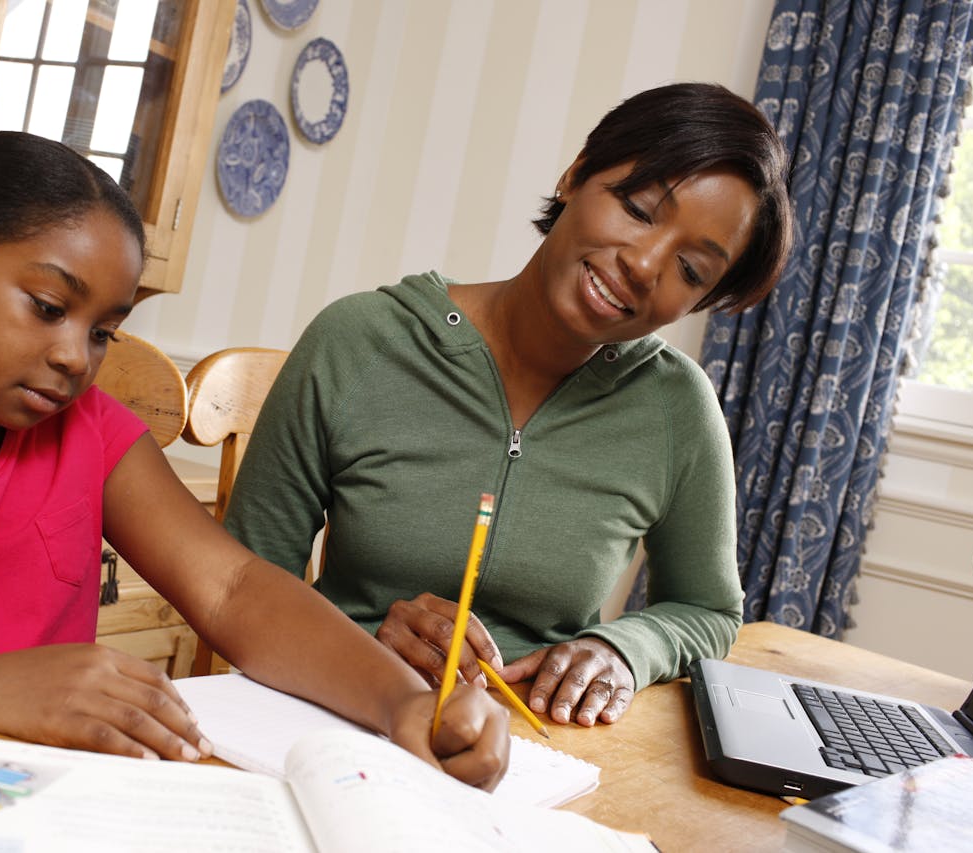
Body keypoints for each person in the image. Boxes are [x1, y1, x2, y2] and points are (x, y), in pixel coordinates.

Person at [0, 131, 510, 788]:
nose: (73, 357)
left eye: (101, 330)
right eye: (50, 308)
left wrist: (402, 699)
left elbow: (232, 587)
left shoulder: (87, 430)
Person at [224, 82, 794, 729]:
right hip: (341, 721)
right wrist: (363, 647)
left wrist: (624, 650)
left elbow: (707, 609)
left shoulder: (678, 411)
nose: (643, 264)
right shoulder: (358, 341)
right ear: (575, 175)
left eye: (691, 270)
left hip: (544, 757)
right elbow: (240, 580)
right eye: (638, 208)